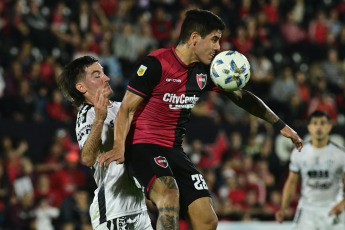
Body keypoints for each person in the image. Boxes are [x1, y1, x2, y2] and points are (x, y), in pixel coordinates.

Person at [97, 9, 303, 230]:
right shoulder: (156, 63)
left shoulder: (206, 71)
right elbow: (126, 109)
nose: (218, 47)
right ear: (195, 38)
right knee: (169, 195)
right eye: (214, 40)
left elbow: (242, 97)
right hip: (143, 147)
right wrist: (119, 147)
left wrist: (280, 125)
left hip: (174, 150)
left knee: (207, 219)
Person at [57, 56, 153, 230]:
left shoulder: (121, 108)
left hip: (139, 208)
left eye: (103, 73)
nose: (106, 78)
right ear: (81, 87)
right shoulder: (88, 114)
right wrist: (100, 119)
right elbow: (87, 158)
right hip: (113, 209)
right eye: (97, 75)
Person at [275, 110, 345, 229]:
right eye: (315, 123)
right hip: (307, 210)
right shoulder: (300, 153)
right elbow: (291, 182)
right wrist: (283, 208)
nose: (319, 126)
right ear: (309, 127)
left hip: (333, 209)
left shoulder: (340, 154)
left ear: (329, 127)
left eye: (323, 123)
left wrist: (343, 204)